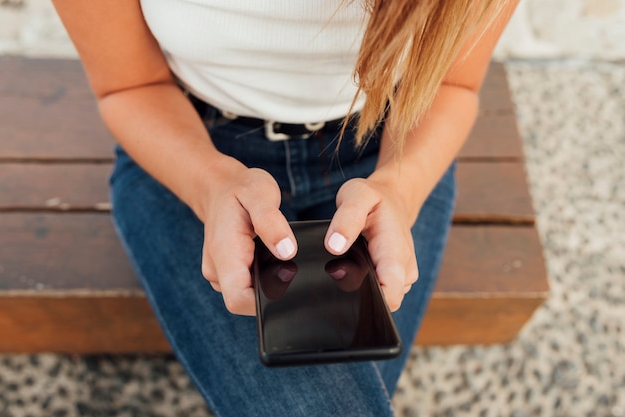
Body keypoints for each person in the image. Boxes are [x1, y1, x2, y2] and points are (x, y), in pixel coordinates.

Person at [51, 1, 518, 415]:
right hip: (187, 149)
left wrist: (400, 187)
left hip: (388, 144)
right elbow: (128, 85)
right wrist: (211, 187)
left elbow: (452, 83)